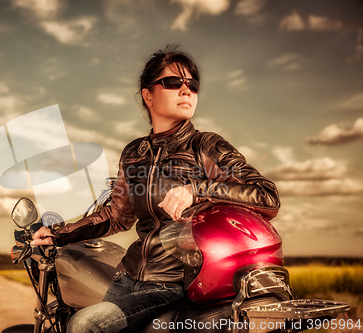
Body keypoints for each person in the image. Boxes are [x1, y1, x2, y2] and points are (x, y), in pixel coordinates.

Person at [31, 44, 280, 333]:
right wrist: (58, 235)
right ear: (148, 95)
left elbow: (266, 195)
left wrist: (196, 189)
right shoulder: (135, 153)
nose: (186, 90)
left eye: (193, 84)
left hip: (174, 285)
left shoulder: (207, 146)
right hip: (128, 278)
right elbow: (116, 215)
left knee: (84, 325)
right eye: (174, 82)